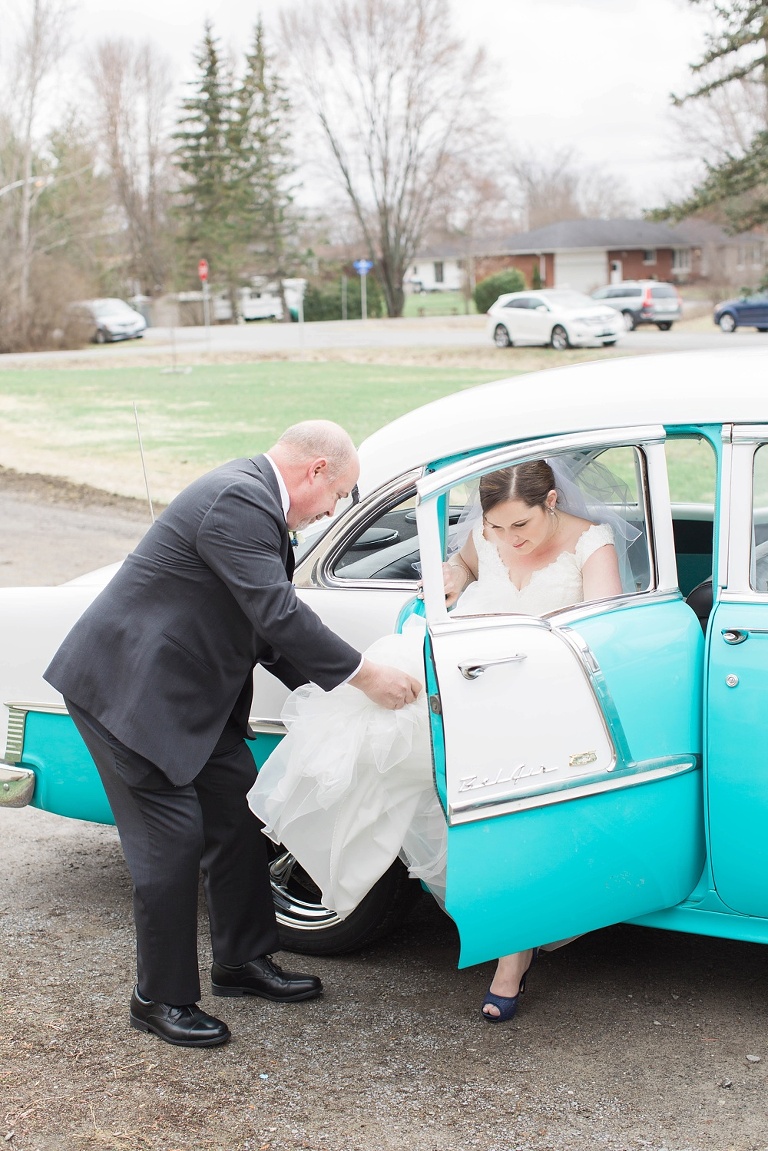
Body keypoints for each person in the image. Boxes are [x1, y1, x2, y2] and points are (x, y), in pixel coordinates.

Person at [43, 420, 421, 1049]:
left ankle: (241, 962)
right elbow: (278, 611)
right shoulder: (238, 499)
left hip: (192, 699)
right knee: (171, 845)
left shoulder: (257, 504)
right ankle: (157, 998)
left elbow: (264, 629)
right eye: (338, 496)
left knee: (241, 816)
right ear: (317, 471)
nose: (331, 511)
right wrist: (363, 675)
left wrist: (350, 698)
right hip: (128, 694)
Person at [249, 457, 626, 1025]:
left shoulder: (591, 544)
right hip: (461, 679)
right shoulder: (486, 536)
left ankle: (511, 954)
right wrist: (453, 575)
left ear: (551, 503)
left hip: (540, 696)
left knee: (506, 818)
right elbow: (459, 568)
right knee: (382, 732)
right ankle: (325, 855)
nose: (507, 540)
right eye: (495, 528)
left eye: (519, 527)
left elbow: (600, 632)